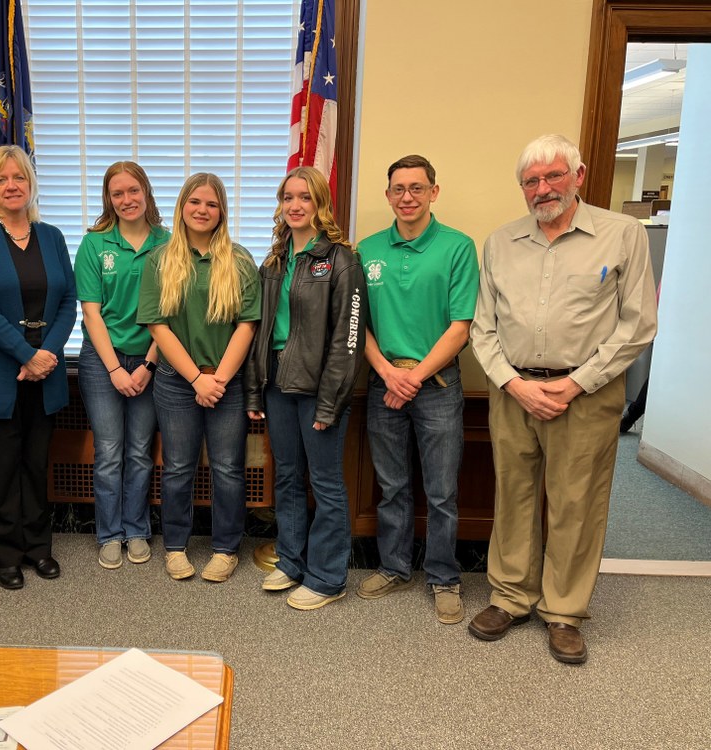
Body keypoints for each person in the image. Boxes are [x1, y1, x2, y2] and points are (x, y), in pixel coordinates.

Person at [469, 134, 657, 663]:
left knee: (578, 502)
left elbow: (639, 325)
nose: (542, 188)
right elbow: (484, 328)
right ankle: (510, 597)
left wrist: (576, 383)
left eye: (554, 176)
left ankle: (565, 612)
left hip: (586, 392)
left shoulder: (622, 235)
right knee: (513, 497)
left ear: (579, 174)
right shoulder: (500, 242)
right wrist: (514, 383)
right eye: (531, 180)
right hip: (514, 391)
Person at [355, 155, 479, 625]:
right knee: (392, 487)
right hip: (383, 382)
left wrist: (413, 377)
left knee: (442, 490)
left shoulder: (457, 247)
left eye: (417, 188)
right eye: (398, 189)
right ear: (388, 195)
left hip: (438, 386)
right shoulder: (366, 250)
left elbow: (460, 326)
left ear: (433, 192)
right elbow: (357, 324)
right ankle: (393, 566)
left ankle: (444, 577)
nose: (407, 197)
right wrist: (389, 373)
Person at [0, 145, 76, 590]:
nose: (11, 186)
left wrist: (47, 354)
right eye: (2, 179)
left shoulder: (52, 236)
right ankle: (5, 551)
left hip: (47, 370)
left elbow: (67, 301)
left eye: (19, 178)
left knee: (36, 462)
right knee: (2, 464)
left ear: (31, 184)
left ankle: (38, 548)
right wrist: (25, 355)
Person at [244, 166, 366, 610]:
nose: (295, 205)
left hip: (319, 390)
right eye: (288, 197)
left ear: (320, 205)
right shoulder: (273, 263)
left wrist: (331, 401)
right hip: (276, 384)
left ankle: (328, 578)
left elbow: (348, 338)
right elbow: (260, 333)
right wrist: (256, 392)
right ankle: (292, 562)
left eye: (305, 197)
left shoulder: (340, 259)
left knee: (326, 483)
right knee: (289, 478)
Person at [137, 173, 261, 582]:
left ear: (221, 210)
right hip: (176, 382)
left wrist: (218, 380)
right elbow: (158, 327)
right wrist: (196, 381)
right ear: (182, 207)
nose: (202, 210)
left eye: (210, 203)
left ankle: (226, 549)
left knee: (228, 468)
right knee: (177, 467)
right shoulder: (160, 259)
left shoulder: (239, 260)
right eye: (195, 202)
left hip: (226, 382)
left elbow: (247, 325)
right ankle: (175, 546)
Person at [74, 162, 169, 570]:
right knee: (110, 451)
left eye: (133, 191)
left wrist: (147, 365)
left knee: (141, 451)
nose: (126, 200)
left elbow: (171, 315)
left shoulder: (169, 243)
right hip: (103, 360)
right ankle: (109, 533)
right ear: (108, 200)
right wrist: (115, 369)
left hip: (154, 357)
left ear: (146, 193)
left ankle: (136, 529)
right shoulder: (95, 244)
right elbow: (92, 315)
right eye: (117, 194)